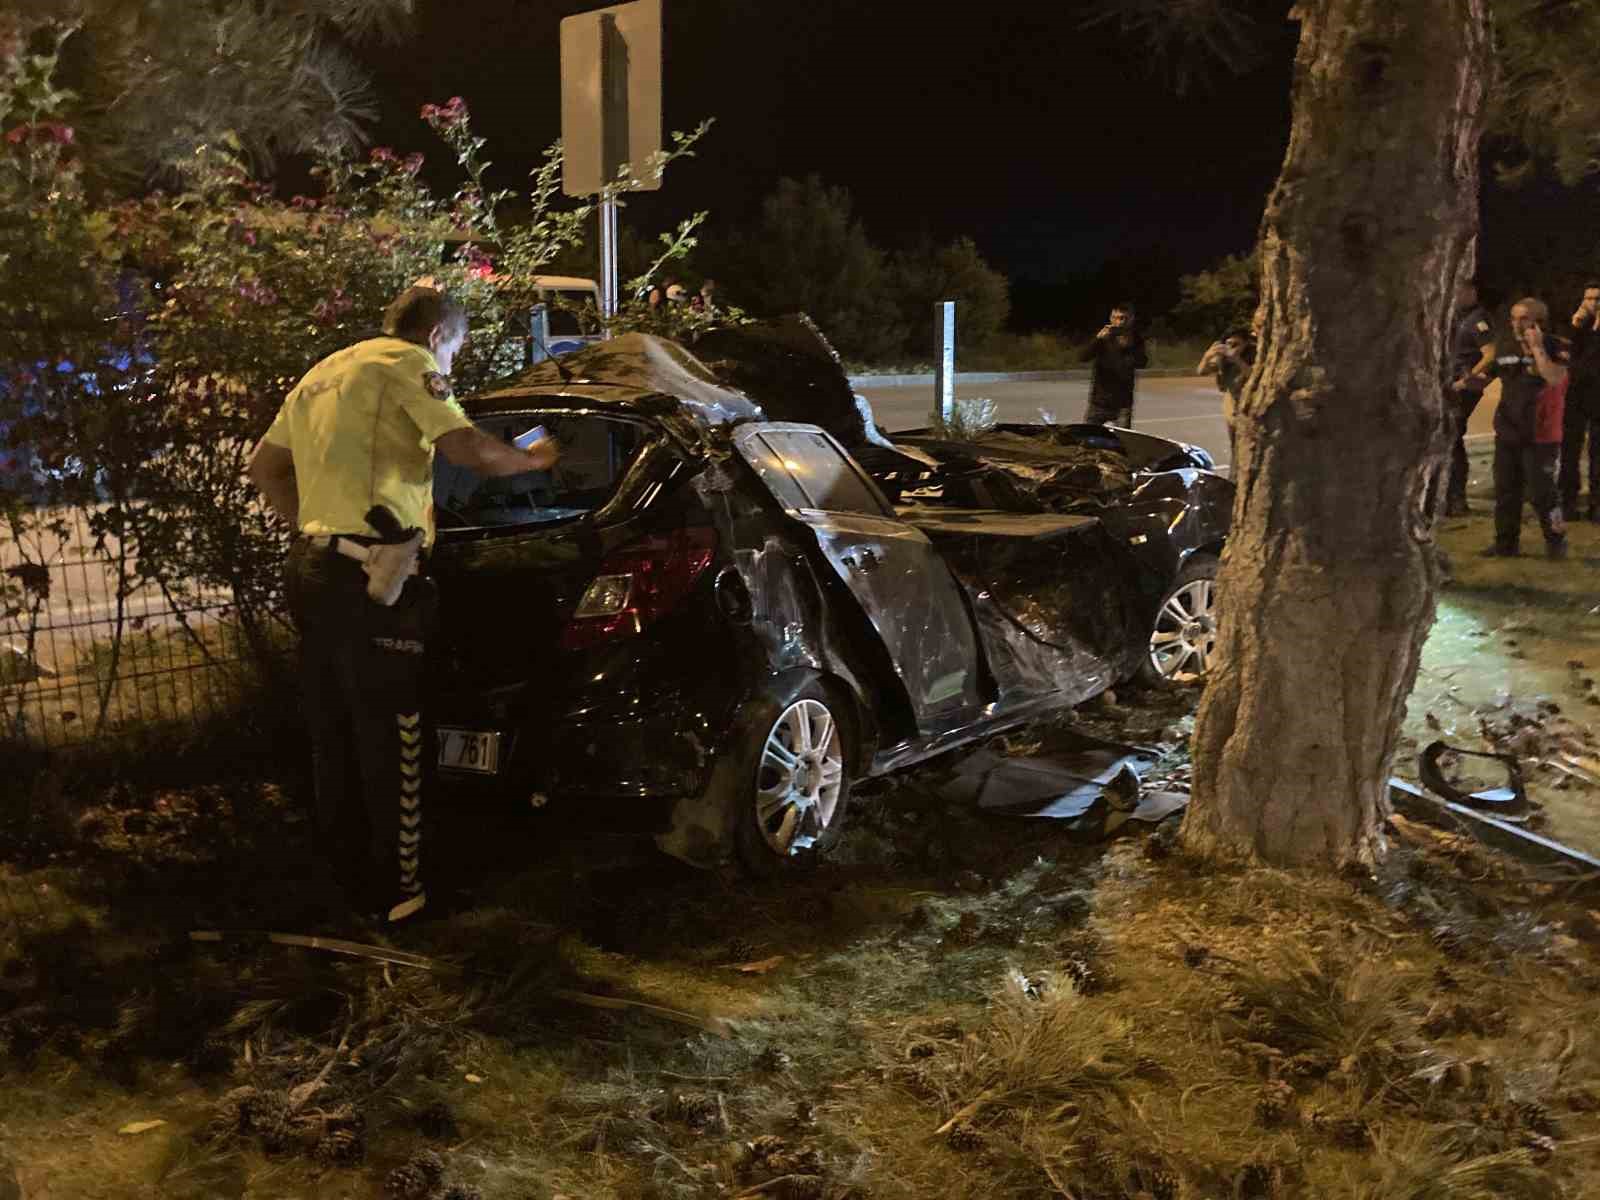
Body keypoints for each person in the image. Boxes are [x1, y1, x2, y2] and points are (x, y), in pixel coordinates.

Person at [247, 286, 560, 924]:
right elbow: (465, 449)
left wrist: (315, 530)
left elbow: (264, 468)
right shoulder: (408, 366)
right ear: (439, 335)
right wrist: (532, 460)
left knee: (332, 735)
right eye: (457, 352)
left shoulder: (324, 371)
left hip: (312, 570)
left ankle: (347, 885)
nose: (453, 366)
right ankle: (402, 896)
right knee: (392, 737)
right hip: (376, 576)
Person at [1481, 296, 1570, 559]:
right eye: (1513, 318)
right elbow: (1487, 376)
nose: (1516, 324)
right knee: (1506, 492)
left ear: (1538, 320)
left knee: (1543, 494)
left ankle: (1556, 541)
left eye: (1523, 318)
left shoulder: (1556, 345)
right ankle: (1505, 544)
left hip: (1541, 433)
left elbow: (1554, 378)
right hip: (1509, 430)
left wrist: (1537, 348)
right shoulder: (1505, 345)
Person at [1443, 279, 1496, 516]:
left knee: (1453, 438)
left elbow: (1491, 354)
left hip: (1464, 388)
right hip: (1452, 385)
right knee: (1448, 438)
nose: (1455, 295)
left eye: (1459, 291)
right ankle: (1449, 497)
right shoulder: (1458, 317)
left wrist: (1467, 380)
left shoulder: (1477, 320)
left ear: (1471, 292)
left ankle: (1456, 499)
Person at [1559, 283, 1600, 520]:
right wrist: (1577, 327)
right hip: (1574, 398)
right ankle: (1568, 502)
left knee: (1598, 453)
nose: (1593, 303)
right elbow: (1567, 356)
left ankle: (1596, 505)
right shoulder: (1573, 327)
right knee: (1569, 451)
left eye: (1598, 299)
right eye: (1589, 298)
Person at [1079, 302, 1148, 426]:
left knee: (1122, 441)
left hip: (1123, 404)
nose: (1120, 322)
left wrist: (1128, 348)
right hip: (1099, 402)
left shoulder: (1136, 339)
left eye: (1124, 318)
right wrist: (1097, 340)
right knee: (1088, 437)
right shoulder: (1104, 338)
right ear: (1111, 319)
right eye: (1117, 318)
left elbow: (1142, 363)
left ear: (1131, 319)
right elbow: (1083, 357)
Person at [1196, 325, 1255, 460]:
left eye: (1236, 344)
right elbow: (1201, 371)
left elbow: (1254, 375)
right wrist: (1208, 356)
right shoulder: (1223, 359)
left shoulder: (1253, 356)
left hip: (1249, 405)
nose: (1232, 347)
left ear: (1246, 344)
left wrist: (1237, 360)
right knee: (1235, 447)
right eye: (1229, 343)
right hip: (1232, 406)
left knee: (1248, 447)